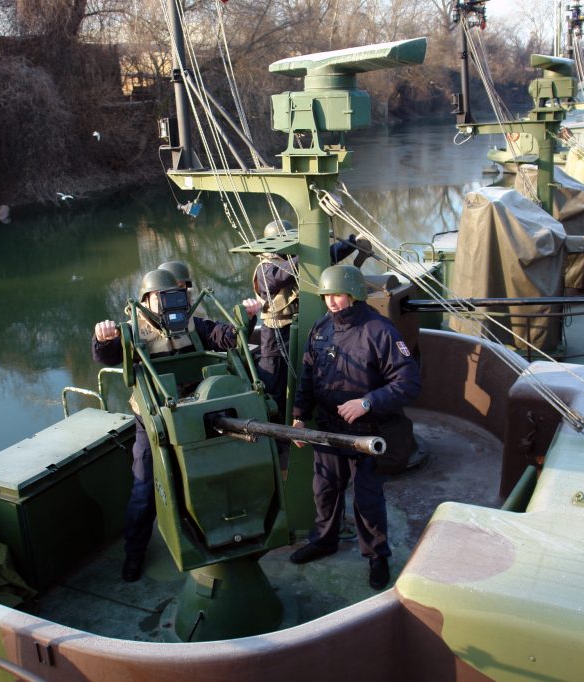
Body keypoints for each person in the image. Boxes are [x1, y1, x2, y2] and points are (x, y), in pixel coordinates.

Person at [92, 267, 259, 582]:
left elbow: (228, 338)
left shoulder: (194, 324)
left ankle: (212, 534)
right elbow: (108, 355)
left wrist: (246, 318)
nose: (173, 303)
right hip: (152, 422)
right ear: (146, 300)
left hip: (192, 416)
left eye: (178, 295)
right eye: (163, 297)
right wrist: (103, 338)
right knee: (144, 488)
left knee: (204, 477)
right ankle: (134, 553)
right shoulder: (132, 331)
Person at [288, 264, 421, 590]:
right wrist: (300, 415)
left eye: (337, 294)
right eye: (326, 296)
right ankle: (324, 540)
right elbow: (308, 375)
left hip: (368, 432)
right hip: (329, 430)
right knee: (325, 488)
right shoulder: (320, 329)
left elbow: (409, 381)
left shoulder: (380, 331)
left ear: (354, 294)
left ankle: (376, 555)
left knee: (367, 497)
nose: (331, 302)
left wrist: (367, 402)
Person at [245, 221, 368, 471]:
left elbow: (326, 257)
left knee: (308, 376)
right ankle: (278, 440)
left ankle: (305, 422)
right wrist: (308, 253)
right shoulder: (265, 267)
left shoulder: (297, 259)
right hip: (275, 333)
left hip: (302, 328)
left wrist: (351, 244)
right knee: (275, 387)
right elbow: (277, 279)